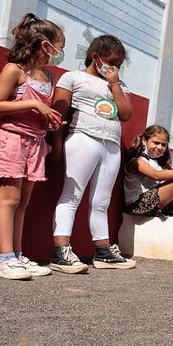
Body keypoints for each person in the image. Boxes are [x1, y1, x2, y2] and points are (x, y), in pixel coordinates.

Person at [0, 13, 65, 280]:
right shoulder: (14, 70)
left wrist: (49, 121)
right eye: (59, 46)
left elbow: (41, 111)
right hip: (11, 140)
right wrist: (33, 104)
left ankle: (18, 255)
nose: (60, 53)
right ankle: (5, 259)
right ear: (45, 45)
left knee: (23, 203)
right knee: (8, 200)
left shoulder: (49, 76)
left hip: (35, 143)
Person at [49, 35, 135, 273]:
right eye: (111, 61)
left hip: (111, 145)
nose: (114, 67)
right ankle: (61, 251)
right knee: (71, 195)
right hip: (82, 138)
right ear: (95, 57)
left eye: (118, 64)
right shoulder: (72, 77)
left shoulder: (119, 84)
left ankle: (103, 251)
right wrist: (56, 144)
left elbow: (126, 114)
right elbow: (59, 113)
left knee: (101, 201)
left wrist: (115, 83)